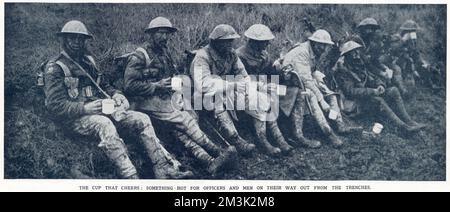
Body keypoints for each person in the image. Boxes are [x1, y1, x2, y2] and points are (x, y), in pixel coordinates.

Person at [43, 20, 193, 179]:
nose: (76, 42)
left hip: (100, 109)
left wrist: (117, 94)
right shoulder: (55, 68)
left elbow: (104, 84)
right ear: (64, 39)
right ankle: (131, 177)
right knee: (105, 124)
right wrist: (84, 108)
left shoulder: (88, 62)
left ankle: (163, 168)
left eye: (80, 39)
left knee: (141, 118)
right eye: (72, 38)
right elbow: (54, 104)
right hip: (74, 118)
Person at [123, 17, 237, 175]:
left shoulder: (164, 52)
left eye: (167, 34)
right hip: (144, 101)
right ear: (151, 34)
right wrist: (155, 86)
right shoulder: (139, 56)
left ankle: (207, 161)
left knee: (187, 118)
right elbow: (128, 86)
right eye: (160, 33)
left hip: (164, 98)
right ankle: (216, 152)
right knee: (183, 119)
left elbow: (171, 75)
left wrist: (179, 86)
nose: (164, 37)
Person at [190, 24, 283, 155]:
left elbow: (244, 76)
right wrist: (231, 85)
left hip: (227, 92)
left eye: (231, 41)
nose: (230, 44)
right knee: (216, 99)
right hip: (204, 97)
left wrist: (257, 87)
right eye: (226, 41)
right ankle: (236, 140)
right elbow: (203, 84)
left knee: (259, 98)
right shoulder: (202, 56)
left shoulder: (231, 54)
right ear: (215, 42)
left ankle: (263, 139)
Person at [334, 40, 426, 133]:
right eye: (353, 52)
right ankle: (403, 127)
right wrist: (372, 91)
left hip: (365, 97)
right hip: (355, 105)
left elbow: (372, 77)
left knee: (393, 90)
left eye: (357, 51)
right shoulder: (343, 71)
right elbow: (351, 92)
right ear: (347, 55)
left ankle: (409, 121)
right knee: (378, 100)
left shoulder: (358, 65)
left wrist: (380, 85)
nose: (356, 54)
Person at [280, 29, 344, 148]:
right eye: (321, 45)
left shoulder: (313, 52)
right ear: (314, 42)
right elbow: (306, 81)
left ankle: (338, 124)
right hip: (287, 85)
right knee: (312, 96)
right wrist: (322, 100)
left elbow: (312, 72)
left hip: (299, 83)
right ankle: (327, 133)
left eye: (326, 46)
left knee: (330, 94)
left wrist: (321, 83)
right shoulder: (302, 53)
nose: (324, 49)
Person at [236, 24, 293, 154]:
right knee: (264, 98)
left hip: (263, 86)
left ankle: (281, 135)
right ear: (254, 42)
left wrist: (281, 71)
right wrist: (263, 86)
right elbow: (242, 79)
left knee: (290, 91)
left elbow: (270, 73)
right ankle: (264, 139)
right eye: (264, 42)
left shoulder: (264, 54)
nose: (267, 44)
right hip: (247, 89)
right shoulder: (240, 55)